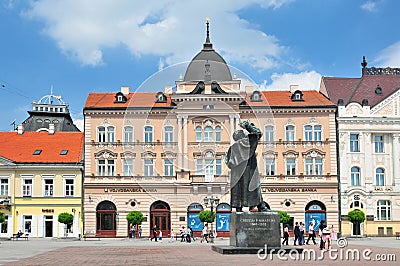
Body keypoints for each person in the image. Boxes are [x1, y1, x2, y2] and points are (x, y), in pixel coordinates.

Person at [225, 121, 268, 212]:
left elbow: (228, 162)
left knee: (239, 190)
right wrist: (248, 126)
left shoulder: (232, 148)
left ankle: (238, 208)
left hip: (238, 175)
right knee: (254, 187)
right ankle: (261, 206)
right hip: (250, 171)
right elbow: (258, 133)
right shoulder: (248, 143)